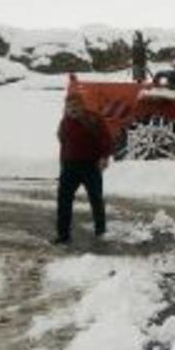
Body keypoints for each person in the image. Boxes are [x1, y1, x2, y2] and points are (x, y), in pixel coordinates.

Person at [54, 92, 112, 244]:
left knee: (96, 199)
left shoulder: (93, 119)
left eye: (75, 105)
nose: (72, 109)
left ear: (82, 105)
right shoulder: (65, 122)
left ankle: (101, 231)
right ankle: (63, 235)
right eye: (69, 106)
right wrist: (62, 166)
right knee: (63, 200)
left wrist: (104, 157)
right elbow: (63, 143)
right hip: (70, 166)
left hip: (90, 165)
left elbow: (107, 139)